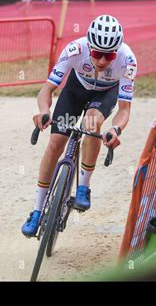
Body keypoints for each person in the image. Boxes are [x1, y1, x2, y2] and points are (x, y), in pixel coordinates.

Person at [22, 15, 137, 237]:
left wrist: (116, 130)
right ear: (89, 46)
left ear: (118, 51)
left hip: (105, 93)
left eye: (109, 55)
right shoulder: (75, 49)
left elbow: (124, 109)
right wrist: (44, 112)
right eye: (97, 54)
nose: (103, 61)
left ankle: (83, 186)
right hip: (76, 90)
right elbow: (46, 90)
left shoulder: (127, 60)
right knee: (55, 144)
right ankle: (36, 211)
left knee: (92, 122)